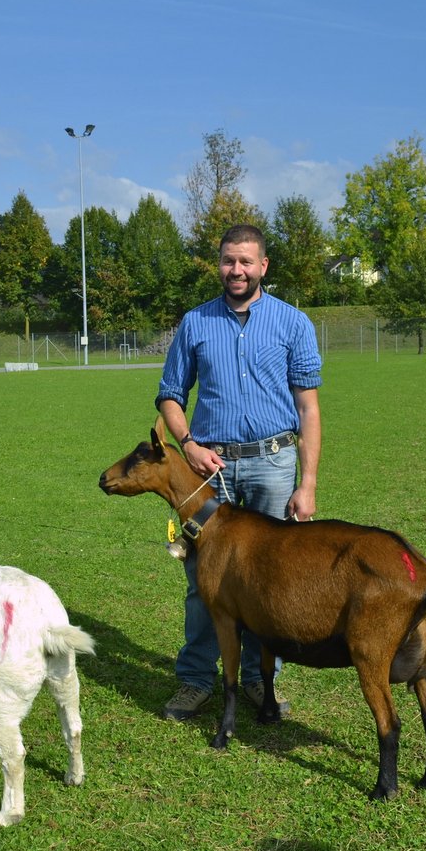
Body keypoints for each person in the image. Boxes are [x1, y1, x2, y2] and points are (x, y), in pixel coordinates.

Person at [155, 223, 323, 721]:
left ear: (263, 266)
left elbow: (309, 410)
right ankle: (195, 679)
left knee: (270, 580)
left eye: (246, 261)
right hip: (212, 469)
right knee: (203, 579)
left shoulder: (293, 323)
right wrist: (188, 445)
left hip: (274, 463)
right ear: (220, 263)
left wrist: (307, 483)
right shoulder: (196, 323)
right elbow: (169, 395)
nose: (237, 270)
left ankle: (257, 680)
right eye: (229, 260)